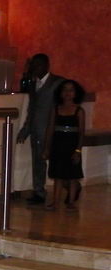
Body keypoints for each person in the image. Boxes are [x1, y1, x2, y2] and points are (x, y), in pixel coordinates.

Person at [16, 54, 64, 205]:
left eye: (38, 65)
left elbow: (62, 107)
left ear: (46, 65)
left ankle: (71, 186)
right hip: (36, 130)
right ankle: (39, 192)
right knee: (38, 162)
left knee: (57, 164)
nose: (35, 68)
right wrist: (25, 130)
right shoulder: (32, 84)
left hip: (53, 130)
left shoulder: (57, 83)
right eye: (33, 65)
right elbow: (31, 109)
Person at [44, 79, 86, 210]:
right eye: (65, 90)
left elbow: (81, 133)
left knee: (72, 175)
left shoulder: (79, 111)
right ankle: (55, 202)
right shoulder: (56, 109)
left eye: (71, 90)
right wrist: (47, 148)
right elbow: (50, 129)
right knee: (58, 175)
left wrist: (78, 150)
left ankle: (71, 202)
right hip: (58, 144)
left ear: (76, 93)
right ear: (60, 93)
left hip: (72, 145)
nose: (68, 93)